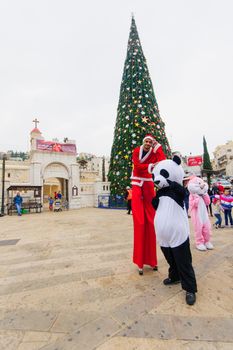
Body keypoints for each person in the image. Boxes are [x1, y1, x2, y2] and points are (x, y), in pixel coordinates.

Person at [131, 134, 166, 275]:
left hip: (148, 183)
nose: (148, 144)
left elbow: (163, 161)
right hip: (137, 182)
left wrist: (158, 148)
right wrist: (151, 166)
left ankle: (152, 261)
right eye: (146, 141)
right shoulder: (136, 151)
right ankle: (139, 262)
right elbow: (138, 167)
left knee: (151, 223)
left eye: (150, 142)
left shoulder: (154, 151)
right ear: (143, 142)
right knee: (140, 222)